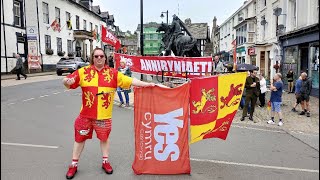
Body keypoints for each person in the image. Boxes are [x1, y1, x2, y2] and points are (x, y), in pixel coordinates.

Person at [63, 48, 155, 179]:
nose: (99, 58)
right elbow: (67, 82)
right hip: (85, 115)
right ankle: (73, 164)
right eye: (96, 56)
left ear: (105, 58)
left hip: (104, 116)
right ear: (92, 58)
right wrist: (66, 82)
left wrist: (148, 84)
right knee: (79, 139)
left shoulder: (113, 73)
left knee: (104, 139)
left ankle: (105, 161)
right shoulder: (83, 72)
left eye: (101, 56)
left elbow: (130, 81)